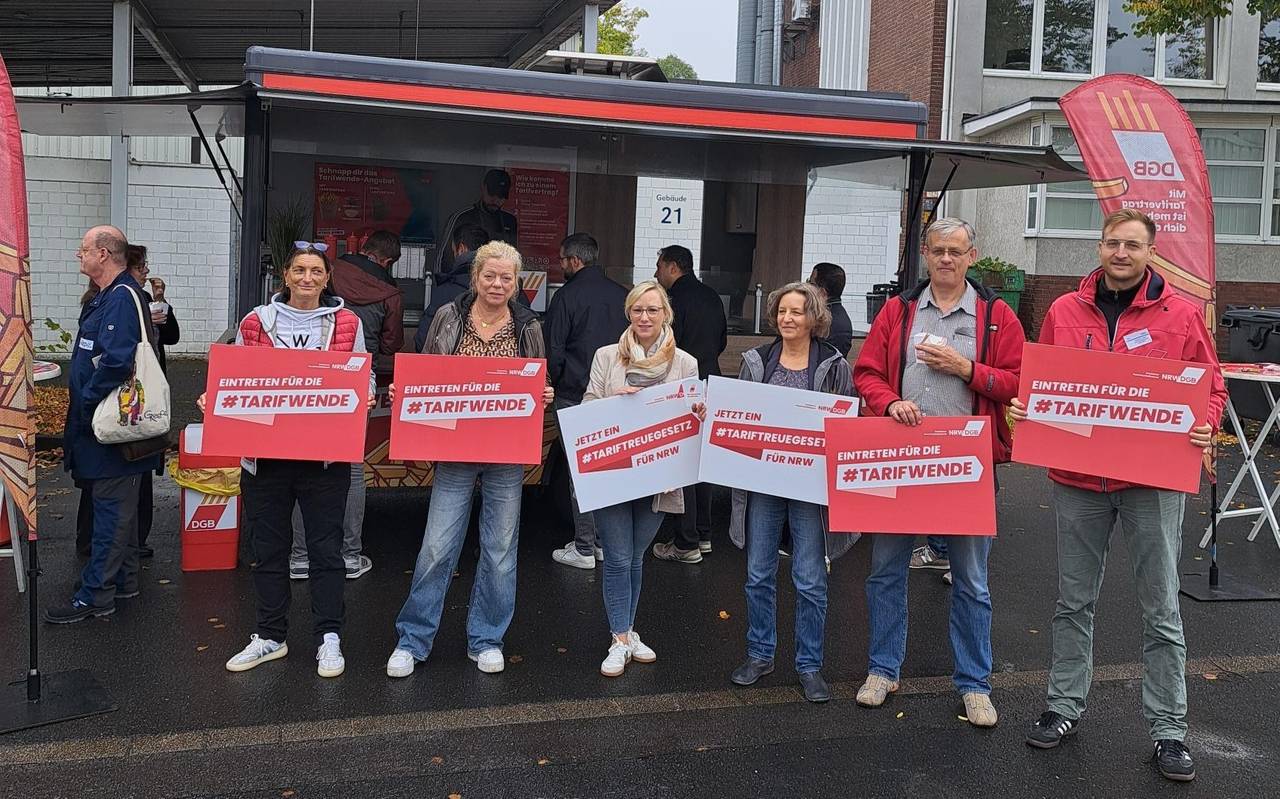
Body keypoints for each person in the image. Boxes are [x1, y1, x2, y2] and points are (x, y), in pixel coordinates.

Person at [1013, 208, 1226, 782]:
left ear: (1150, 252)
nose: (1122, 252)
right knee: (1072, 602)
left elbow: (1212, 384)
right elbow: (1045, 384)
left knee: (1161, 609)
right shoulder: (1063, 310)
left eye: (1133, 244)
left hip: (1151, 484)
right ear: (1100, 246)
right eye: (1113, 242)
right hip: (1078, 483)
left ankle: (1169, 731)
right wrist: (1026, 408)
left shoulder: (1180, 315)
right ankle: (1062, 707)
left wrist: (1205, 422)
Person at [852, 217, 1024, 728]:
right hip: (901, 461)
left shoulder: (996, 316)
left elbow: (1019, 382)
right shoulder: (898, 311)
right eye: (938, 250)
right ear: (924, 254)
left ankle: (974, 684)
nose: (946, 259)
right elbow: (867, 373)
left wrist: (967, 369)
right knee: (885, 571)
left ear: (973, 255)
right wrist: (889, 404)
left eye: (956, 250)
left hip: (966, 467)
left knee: (971, 580)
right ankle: (883, 670)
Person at [204, 243, 376, 677]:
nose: (307, 278)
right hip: (265, 458)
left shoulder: (346, 321)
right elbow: (238, 374)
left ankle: (329, 638)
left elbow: (362, 370)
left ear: (326, 277)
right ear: (286, 275)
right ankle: (270, 636)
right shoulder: (257, 321)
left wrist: (367, 390)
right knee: (269, 550)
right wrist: (216, 396)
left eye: (315, 271)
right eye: (299, 270)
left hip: (325, 459)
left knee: (326, 550)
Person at [386, 241, 555, 678]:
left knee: (500, 551)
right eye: (490, 275)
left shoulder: (528, 326)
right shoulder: (449, 317)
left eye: (507, 278)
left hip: (504, 455)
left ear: (516, 284)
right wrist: (405, 394)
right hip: (455, 452)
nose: (498, 284)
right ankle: (413, 639)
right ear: (475, 277)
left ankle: (487, 639)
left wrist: (545, 394)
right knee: (437, 547)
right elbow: (426, 376)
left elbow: (538, 382)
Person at [727, 281, 854, 703]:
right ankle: (760, 654)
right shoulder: (756, 361)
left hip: (809, 487)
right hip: (763, 485)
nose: (787, 318)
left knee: (810, 578)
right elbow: (738, 414)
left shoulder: (834, 364)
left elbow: (845, 423)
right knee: (758, 573)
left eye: (797, 312)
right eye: (782, 311)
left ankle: (809, 664)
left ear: (813, 318)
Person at [584, 279, 703, 676]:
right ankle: (619, 637)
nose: (645, 317)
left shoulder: (685, 363)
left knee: (635, 556)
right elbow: (587, 408)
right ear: (628, 313)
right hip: (613, 474)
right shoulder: (606, 357)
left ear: (665, 314)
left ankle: (629, 631)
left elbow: (690, 421)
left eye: (653, 309)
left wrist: (699, 415)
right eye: (638, 309)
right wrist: (612, 402)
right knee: (617, 558)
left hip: (659, 480)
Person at [45, 226, 164, 624]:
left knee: (110, 512)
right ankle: (125, 580)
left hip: (110, 426)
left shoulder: (120, 298)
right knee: (119, 510)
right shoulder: (107, 297)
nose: (78, 256)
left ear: (104, 253)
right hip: (104, 426)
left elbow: (115, 361)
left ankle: (96, 595)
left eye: (83, 250)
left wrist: (89, 403)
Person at [288, 230, 403, 583]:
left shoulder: (331, 276)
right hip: (351, 386)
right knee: (351, 472)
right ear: (385, 261)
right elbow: (390, 343)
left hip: (302, 391)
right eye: (302, 271)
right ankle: (350, 555)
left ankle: (299, 557)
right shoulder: (390, 294)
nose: (309, 278)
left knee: (300, 470)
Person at [73, 244, 179, 560]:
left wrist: (161, 304)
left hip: (135, 403)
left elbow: (169, 337)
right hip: (118, 406)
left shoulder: (136, 299)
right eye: (141, 266)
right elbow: (111, 359)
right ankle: (102, 552)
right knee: (111, 482)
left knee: (131, 475)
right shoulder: (109, 301)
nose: (146, 271)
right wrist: (89, 400)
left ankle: (126, 554)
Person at [545, 233, 628, 570]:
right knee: (607, 471)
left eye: (563, 259)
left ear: (575, 261)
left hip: (574, 395)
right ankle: (603, 543)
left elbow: (554, 349)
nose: (561, 265)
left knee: (581, 473)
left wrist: (556, 381)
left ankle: (583, 547)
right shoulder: (623, 296)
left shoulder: (566, 297)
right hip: (616, 397)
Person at [651, 245, 726, 562]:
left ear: (671, 266)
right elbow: (721, 340)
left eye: (659, 267)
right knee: (702, 463)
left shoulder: (672, 302)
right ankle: (704, 534)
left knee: (682, 464)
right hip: (712, 382)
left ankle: (685, 543)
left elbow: (666, 348)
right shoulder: (712, 296)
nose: (656, 274)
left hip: (682, 388)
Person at [418, 222, 489, 350]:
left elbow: (423, 341)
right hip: (500, 369)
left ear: (461, 249)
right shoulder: (510, 290)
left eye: (453, 251)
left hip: (451, 368)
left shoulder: (445, 292)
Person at [436, 168, 517, 273]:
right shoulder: (462, 217)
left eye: (501, 196)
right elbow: (443, 257)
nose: (495, 199)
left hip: (494, 284)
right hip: (463, 283)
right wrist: (445, 286)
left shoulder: (509, 222)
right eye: (492, 193)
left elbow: (513, 259)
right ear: (483, 188)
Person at [808, 262, 853, 358]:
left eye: (810, 283)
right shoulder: (837, 316)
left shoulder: (824, 321)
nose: (806, 287)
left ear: (822, 293)